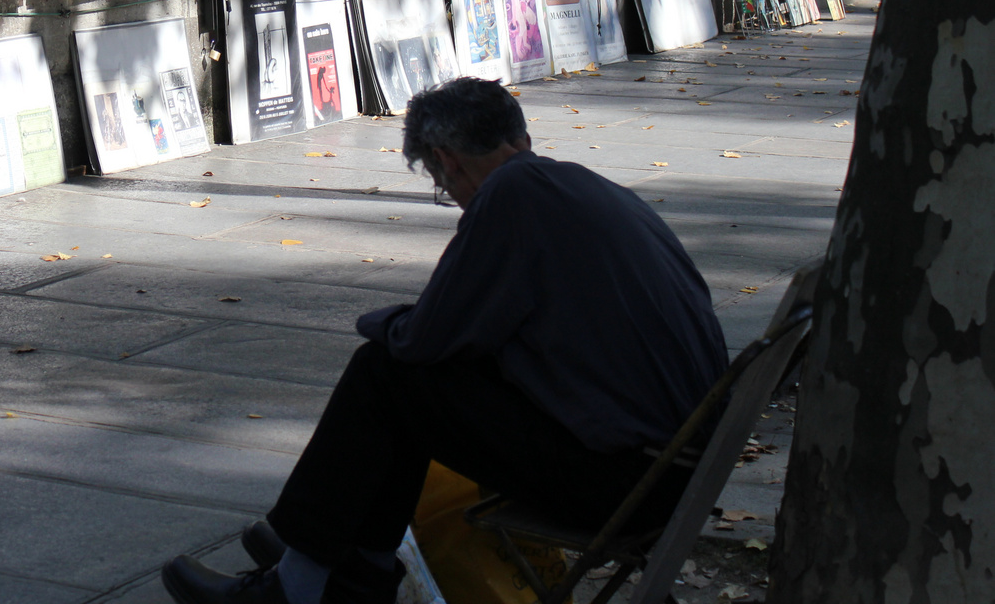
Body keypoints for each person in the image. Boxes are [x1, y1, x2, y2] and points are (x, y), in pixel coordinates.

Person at [161, 78, 727, 604]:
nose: (451, 198)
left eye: (441, 186)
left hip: (622, 486)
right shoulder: (581, 185)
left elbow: (426, 338)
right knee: (414, 390)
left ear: (446, 161)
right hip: (673, 472)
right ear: (520, 136)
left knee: (384, 375)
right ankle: (336, 563)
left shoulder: (511, 196)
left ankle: (307, 583)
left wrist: (381, 322)